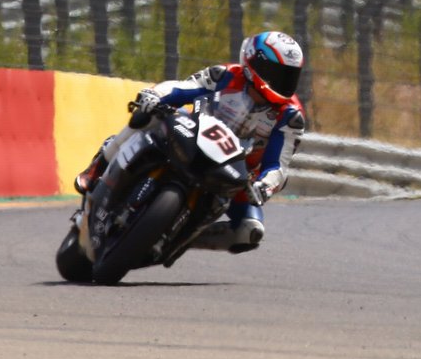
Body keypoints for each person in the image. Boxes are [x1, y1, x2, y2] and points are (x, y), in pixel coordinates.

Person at [75, 30, 306, 254]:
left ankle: (182, 239)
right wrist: (154, 95)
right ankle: (98, 167)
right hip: (193, 136)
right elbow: (182, 87)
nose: (283, 81)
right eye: (277, 72)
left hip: (236, 172)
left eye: (289, 75)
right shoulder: (224, 75)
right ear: (255, 64)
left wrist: (264, 186)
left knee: (251, 231)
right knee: (148, 114)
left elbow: (278, 165)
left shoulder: (290, 116)